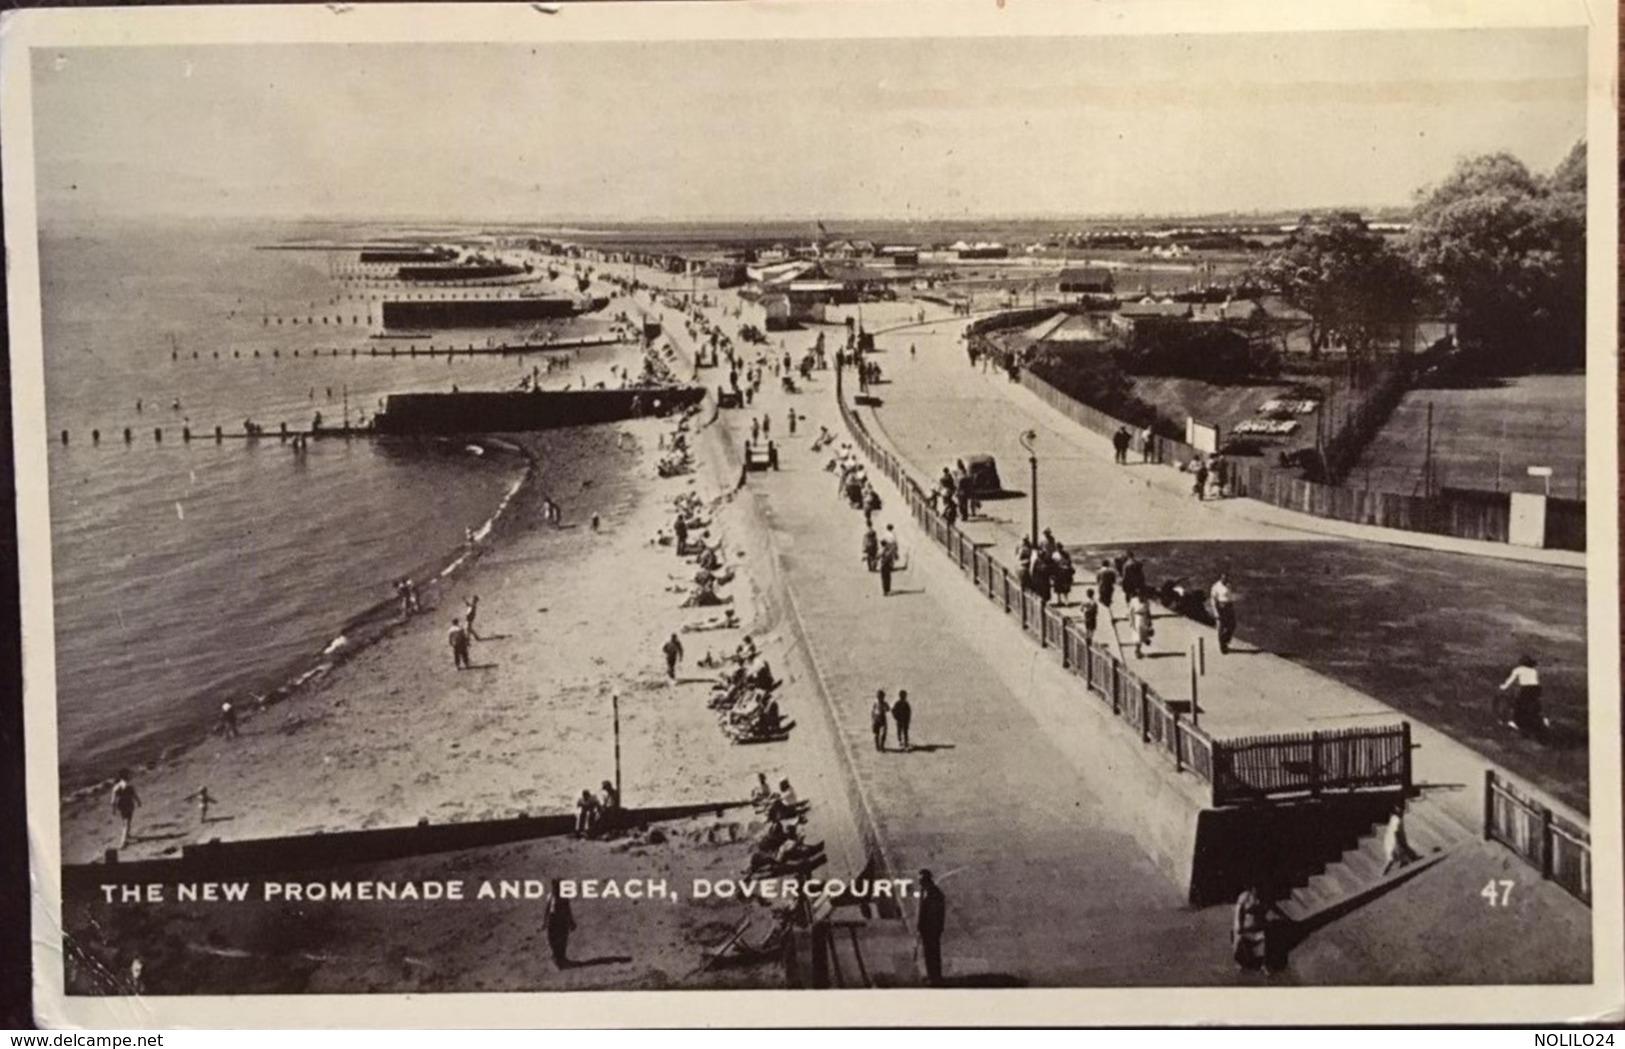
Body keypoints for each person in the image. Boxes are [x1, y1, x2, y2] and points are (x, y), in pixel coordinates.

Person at [1232, 885, 1282, 972]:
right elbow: (1238, 911)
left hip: (1260, 930)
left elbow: (1272, 908)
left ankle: (1264, 964)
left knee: (1265, 945)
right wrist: (1238, 925)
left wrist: (1279, 916)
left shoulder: (1265, 896)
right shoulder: (1244, 896)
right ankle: (1242, 962)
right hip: (1246, 930)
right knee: (1241, 947)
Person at [1499, 656, 1546, 739]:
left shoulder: (1518, 669)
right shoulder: (1533, 670)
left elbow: (1510, 680)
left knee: (1518, 704)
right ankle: (1542, 719)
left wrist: (1503, 687)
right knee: (1533, 704)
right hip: (1536, 689)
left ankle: (1514, 721)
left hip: (1526, 689)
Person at [916, 869, 946, 986]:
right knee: (929, 954)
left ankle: (936, 977)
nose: (920, 883)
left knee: (933, 954)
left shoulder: (935, 893)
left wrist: (935, 928)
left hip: (932, 929)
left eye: (921, 880)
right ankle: (932, 976)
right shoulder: (926, 892)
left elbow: (937, 913)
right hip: (926, 929)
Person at [542, 880, 576, 968]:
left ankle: (561, 959)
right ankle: (557, 958)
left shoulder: (564, 897)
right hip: (553, 919)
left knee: (562, 940)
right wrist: (545, 922)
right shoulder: (551, 896)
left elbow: (567, 910)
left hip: (562, 920)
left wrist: (571, 921)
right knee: (553, 939)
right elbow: (547, 910)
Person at [1381, 802, 1421, 875]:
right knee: (1393, 856)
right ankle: (1411, 859)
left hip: (1396, 842)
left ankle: (1411, 859)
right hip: (1396, 843)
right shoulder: (1395, 819)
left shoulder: (1395, 819)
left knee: (1393, 857)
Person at [111, 771, 140, 849]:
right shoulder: (130, 786)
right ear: (127, 777)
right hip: (129, 804)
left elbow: (113, 801)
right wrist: (138, 802)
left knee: (125, 820)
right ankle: (123, 842)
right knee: (127, 821)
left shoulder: (116, 787)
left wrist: (113, 810)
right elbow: (134, 796)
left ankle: (127, 835)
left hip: (121, 805)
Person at [1210, 573, 1237, 654]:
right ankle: (1222, 646)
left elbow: (1230, 596)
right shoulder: (1216, 586)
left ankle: (1225, 640)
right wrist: (1216, 612)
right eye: (1223, 578)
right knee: (1221, 627)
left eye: (1226, 578)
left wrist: (1231, 605)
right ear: (1220, 578)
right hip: (1221, 607)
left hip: (1229, 606)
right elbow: (1213, 600)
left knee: (1233, 624)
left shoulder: (1229, 585)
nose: (1225, 580)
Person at [1128, 592, 1153, 658]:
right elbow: (1130, 611)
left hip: (1144, 618)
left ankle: (1145, 640)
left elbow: (1148, 611)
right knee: (1138, 635)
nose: (1141, 597)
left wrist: (1150, 620)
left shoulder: (1146, 601)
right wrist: (1131, 621)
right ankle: (1137, 651)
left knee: (1143, 634)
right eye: (1140, 595)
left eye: (1143, 595)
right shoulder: (1134, 601)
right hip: (1137, 618)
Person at [878, 526, 899, 597]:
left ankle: (885, 590)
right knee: (888, 577)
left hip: (882, 565)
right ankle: (887, 590)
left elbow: (878, 556)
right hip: (887, 565)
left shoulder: (881, 550)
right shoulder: (893, 535)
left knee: (884, 578)